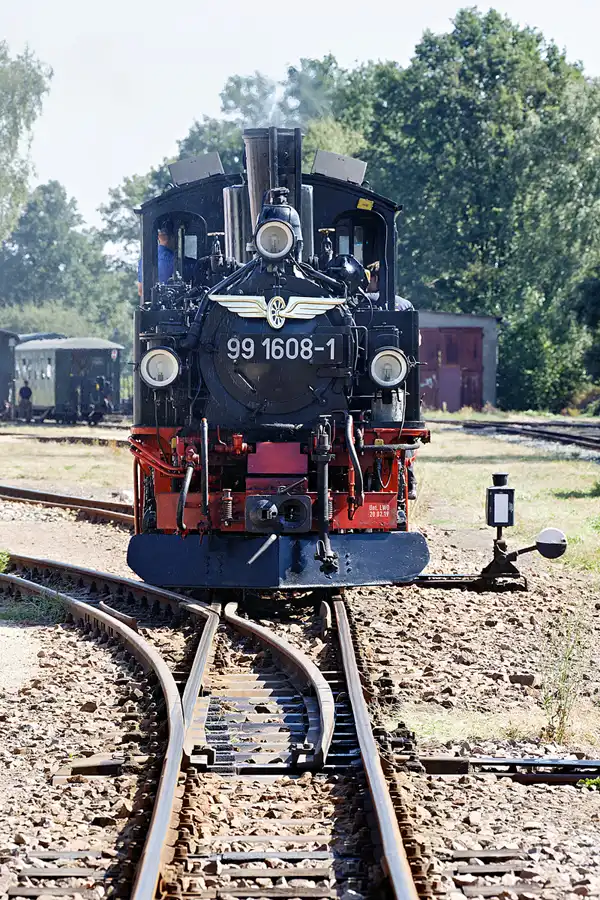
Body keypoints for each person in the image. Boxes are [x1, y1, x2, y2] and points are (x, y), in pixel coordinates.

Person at [366, 261, 418, 501]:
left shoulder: (359, 303)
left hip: (361, 385)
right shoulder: (405, 305)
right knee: (399, 432)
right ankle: (409, 478)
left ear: (374, 277)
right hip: (396, 381)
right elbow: (416, 343)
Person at [137, 219, 196, 296]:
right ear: (173, 237)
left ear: (159, 238)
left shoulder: (144, 260)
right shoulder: (185, 263)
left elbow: (141, 291)